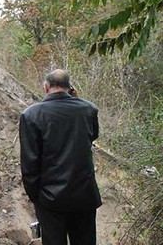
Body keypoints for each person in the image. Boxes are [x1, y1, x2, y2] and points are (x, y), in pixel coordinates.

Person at [19, 69, 101, 245]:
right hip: (84, 195)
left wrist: (36, 197)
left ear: (46, 87)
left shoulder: (31, 115)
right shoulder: (89, 110)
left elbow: (29, 165)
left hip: (50, 198)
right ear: (69, 87)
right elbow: (92, 136)